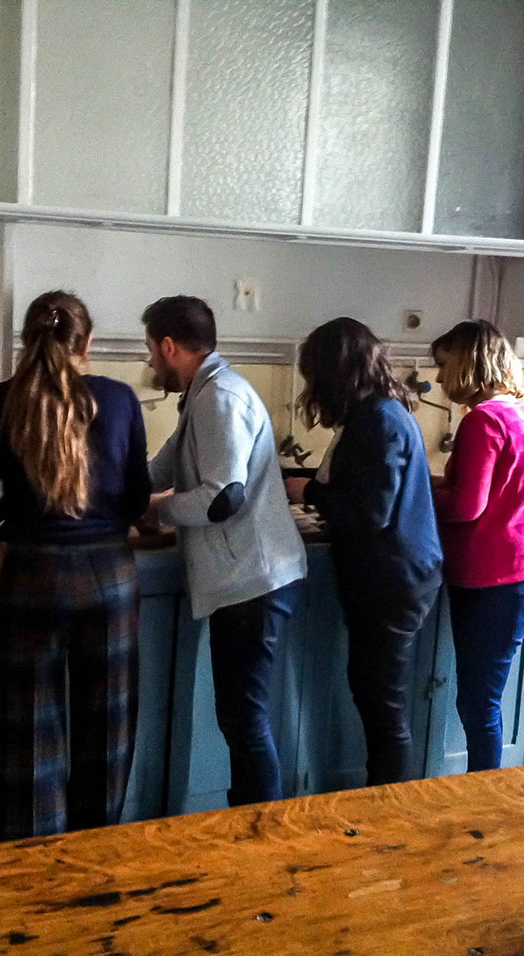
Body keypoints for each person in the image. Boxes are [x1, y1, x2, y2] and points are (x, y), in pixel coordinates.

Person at [0, 290, 151, 838]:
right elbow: (137, 500)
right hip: (109, 578)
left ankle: (38, 859)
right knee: (107, 730)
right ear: (87, 342)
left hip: (32, 578)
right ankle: (95, 852)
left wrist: (29, 504)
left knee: (30, 734)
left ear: (26, 341)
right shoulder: (119, 399)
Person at [142, 295, 307, 806]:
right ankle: (252, 827)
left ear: (170, 346)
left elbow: (222, 499)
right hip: (244, 582)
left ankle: (260, 833)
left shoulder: (221, 398)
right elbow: (162, 467)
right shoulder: (203, 395)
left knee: (244, 720)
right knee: (240, 718)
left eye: (150, 349)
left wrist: (157, 512)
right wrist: (114, 494)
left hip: (253, 583)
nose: (150, 361)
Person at [286, 317, 443, 786]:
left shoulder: (377, 419)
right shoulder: (378, 412)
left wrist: (309, 491)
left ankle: (387, 808)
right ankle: (383, 801)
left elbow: (370, 511)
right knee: (376, 696)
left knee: (382, 704)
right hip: (396, 576)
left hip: (392, 580)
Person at [430, 321, 524, 772]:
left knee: (479, 705)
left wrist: (415, 497)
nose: (439, 377)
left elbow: (467, 505)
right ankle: (485, 790)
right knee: (484, 701)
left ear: (467, 363)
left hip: (493, 580)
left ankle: (485, 795)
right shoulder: (515, 413)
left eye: (444, 365)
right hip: (519, 575)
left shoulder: (481, 421)